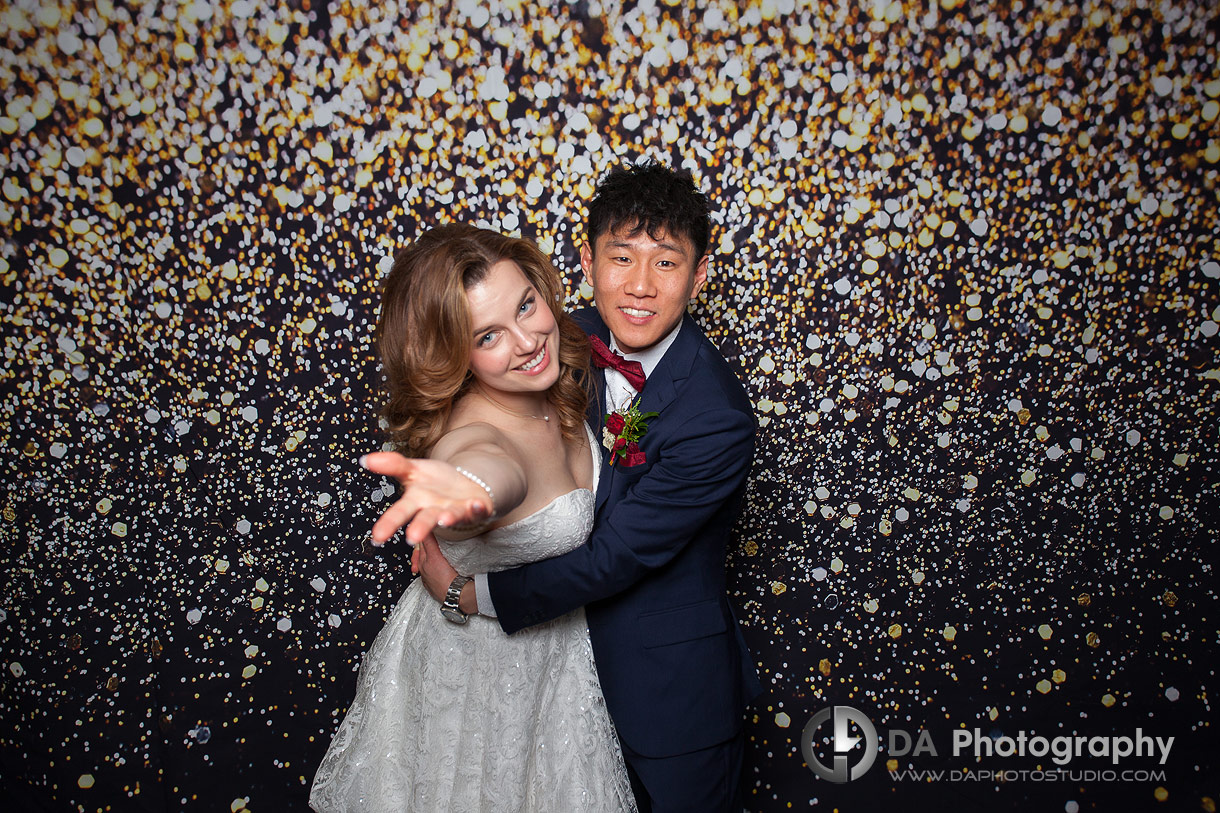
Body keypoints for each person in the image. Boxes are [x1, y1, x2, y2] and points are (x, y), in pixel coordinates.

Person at [397, 161, 762, 812]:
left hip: (668, 701)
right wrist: (453, 493)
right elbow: (479, 417)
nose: (640, 286)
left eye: (667, 263)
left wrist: (465, 588)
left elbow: (612, 557)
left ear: (701, 273)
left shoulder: (718, 418)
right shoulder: (553, 339)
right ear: (588, 263)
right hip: (541, 683)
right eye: (621, 258)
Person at [309, 224, 637, 812]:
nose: (527, 341)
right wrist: (465, 495)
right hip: (475, 690)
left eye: (526, 306)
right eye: (488, 336)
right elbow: (486, 470)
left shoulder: (561, 380)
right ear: (453, 355)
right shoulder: (476, 431)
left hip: (555, 675)